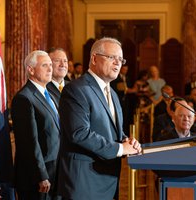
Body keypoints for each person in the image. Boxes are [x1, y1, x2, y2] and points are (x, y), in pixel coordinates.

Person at [57, 37, 142, 200]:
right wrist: (120, 149)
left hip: (108, 179)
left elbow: (110, 131)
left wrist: (127, 141)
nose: (118, 63)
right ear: (94, 58)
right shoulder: (76, 90)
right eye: (112, 57)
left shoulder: (114, 95)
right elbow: (79, 133)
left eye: (120, 59)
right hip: (84, 181)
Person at [11, 50, 60, 200]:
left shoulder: (50, 94)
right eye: (45, 65)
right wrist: (41, 175)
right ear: (30, 70)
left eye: (51, 65)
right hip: (38, 176)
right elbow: (29, 142)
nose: (50, 69)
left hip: (56, 169)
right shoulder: (24, 98)